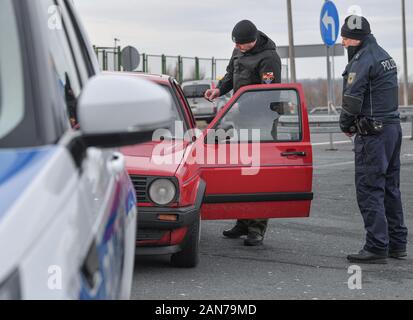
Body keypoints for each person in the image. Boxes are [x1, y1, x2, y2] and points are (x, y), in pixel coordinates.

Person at [204, 19, 282, 246]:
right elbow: (230, 75)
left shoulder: (269, 58)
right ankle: (242, 221)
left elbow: (269, 93)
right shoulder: (238, 50)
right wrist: (218, 90)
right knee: (242, 170)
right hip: (241, 117)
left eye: (243, 45)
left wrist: (241, 104)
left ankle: (257, 228)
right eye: (236, 45)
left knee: (258, 173)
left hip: (262, 120)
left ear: (254, 40)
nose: (239, 48)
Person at [339, 15, 408, 264]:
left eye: (345, 37)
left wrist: (345, 124)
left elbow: (352, 99)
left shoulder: (362, 60)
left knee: (370, 189)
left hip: (373, 134)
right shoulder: (383, 55)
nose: (343, 42)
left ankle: (377, 245)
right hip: (391, 129)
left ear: (356, 39)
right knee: (390, 188)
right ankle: (397, 243)